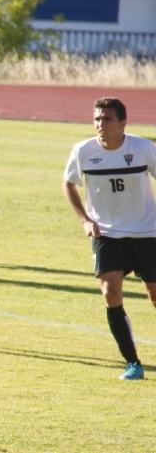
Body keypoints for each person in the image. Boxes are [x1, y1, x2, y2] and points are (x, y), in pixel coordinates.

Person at [62, 97, 156, 381]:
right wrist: (85, 219)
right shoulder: (83, 151)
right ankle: (133, 363)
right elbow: (68, 183)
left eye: (107, 119)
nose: (100, 125)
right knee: (109, 292)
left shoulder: (142, 149)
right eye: (97, 119)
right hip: (107, 233)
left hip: (146, 232)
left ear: (122, 124)